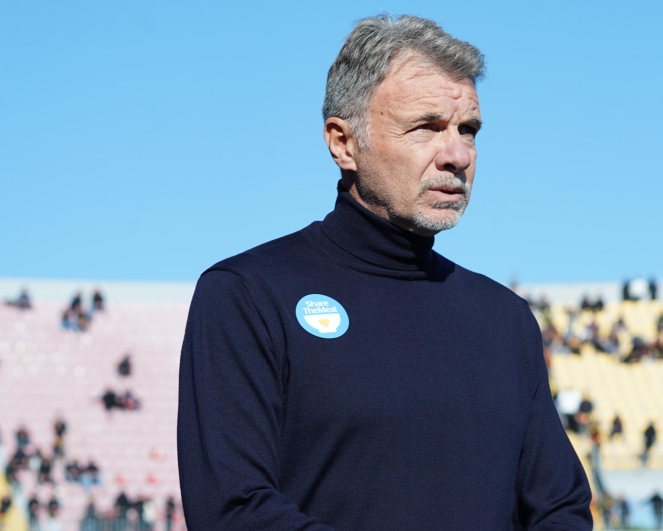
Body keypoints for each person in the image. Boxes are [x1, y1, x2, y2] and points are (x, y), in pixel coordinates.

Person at [177, 14, 592, 531]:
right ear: (343, 144)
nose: (458, 155)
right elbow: (232, 509)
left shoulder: (505, 319)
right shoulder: (248, 295)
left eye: (469, 130)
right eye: (427, 127)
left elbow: (560, 510)